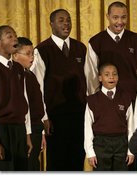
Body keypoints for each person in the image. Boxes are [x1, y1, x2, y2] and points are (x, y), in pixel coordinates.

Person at [31, 9, 87, 171]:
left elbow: (88, 81)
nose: (66, 24)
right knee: (57, 160)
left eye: (68, 20)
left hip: (78, 114)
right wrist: (44, 117)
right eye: (61, 20)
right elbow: (38, 87)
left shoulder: (80, 48)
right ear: (51, 24)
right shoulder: (42, 50)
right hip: (55, 117)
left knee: (77, 158)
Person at [84, 1, 137, 101]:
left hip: (132, 98)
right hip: (106, 99)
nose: (120, 22)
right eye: (115, 17)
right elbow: (91, 75)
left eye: (123, 17)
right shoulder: (96, 42)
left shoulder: (136, 40)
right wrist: (96, 100)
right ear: (108, 16)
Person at [0, 25, 32, 170]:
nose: (15, 38)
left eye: (15, 35)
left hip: (19, 130)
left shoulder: (18, 68)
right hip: (2, 130)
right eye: (9, 36)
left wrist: (27, 134)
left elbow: (24, 100)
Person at [84, 63, 134, 171]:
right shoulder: (92, 100)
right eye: (107, 74)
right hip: (101, 144)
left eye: (114, 74)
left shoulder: (126, 98)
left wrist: (131, 150)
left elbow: (131, 127)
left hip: (121, 143)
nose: (111, 77)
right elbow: (87, 128)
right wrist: (90, 152)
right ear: (100, 78)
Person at [13, 37, 49, 171]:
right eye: (27, 54)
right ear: (15, 55)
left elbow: (37, 102)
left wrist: (42, 131)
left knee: (33, 165)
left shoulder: (30, 75)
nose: (32, 57)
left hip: (35, 127)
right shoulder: (14, 77)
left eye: (32, 53)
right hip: (24, 129)